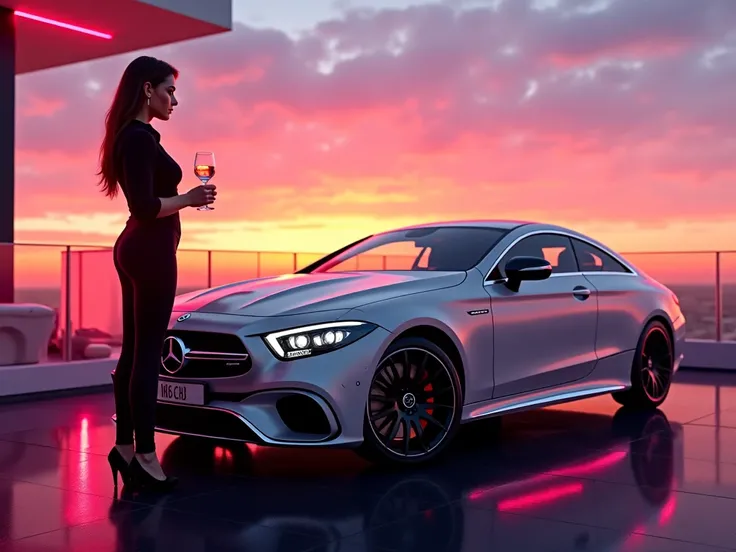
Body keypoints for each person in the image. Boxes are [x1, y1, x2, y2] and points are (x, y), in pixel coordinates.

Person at [96, 55, 216, 491]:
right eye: (169, 90)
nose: (175, 100)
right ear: (147, 89)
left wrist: (185, 200)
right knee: (147, 354)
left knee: (133, 353)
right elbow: (145, 208)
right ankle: (146, 456)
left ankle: (126, 448)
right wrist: (188, 198)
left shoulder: (135, 136)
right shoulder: (140, 139)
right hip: (149, 251)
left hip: (136, 248)